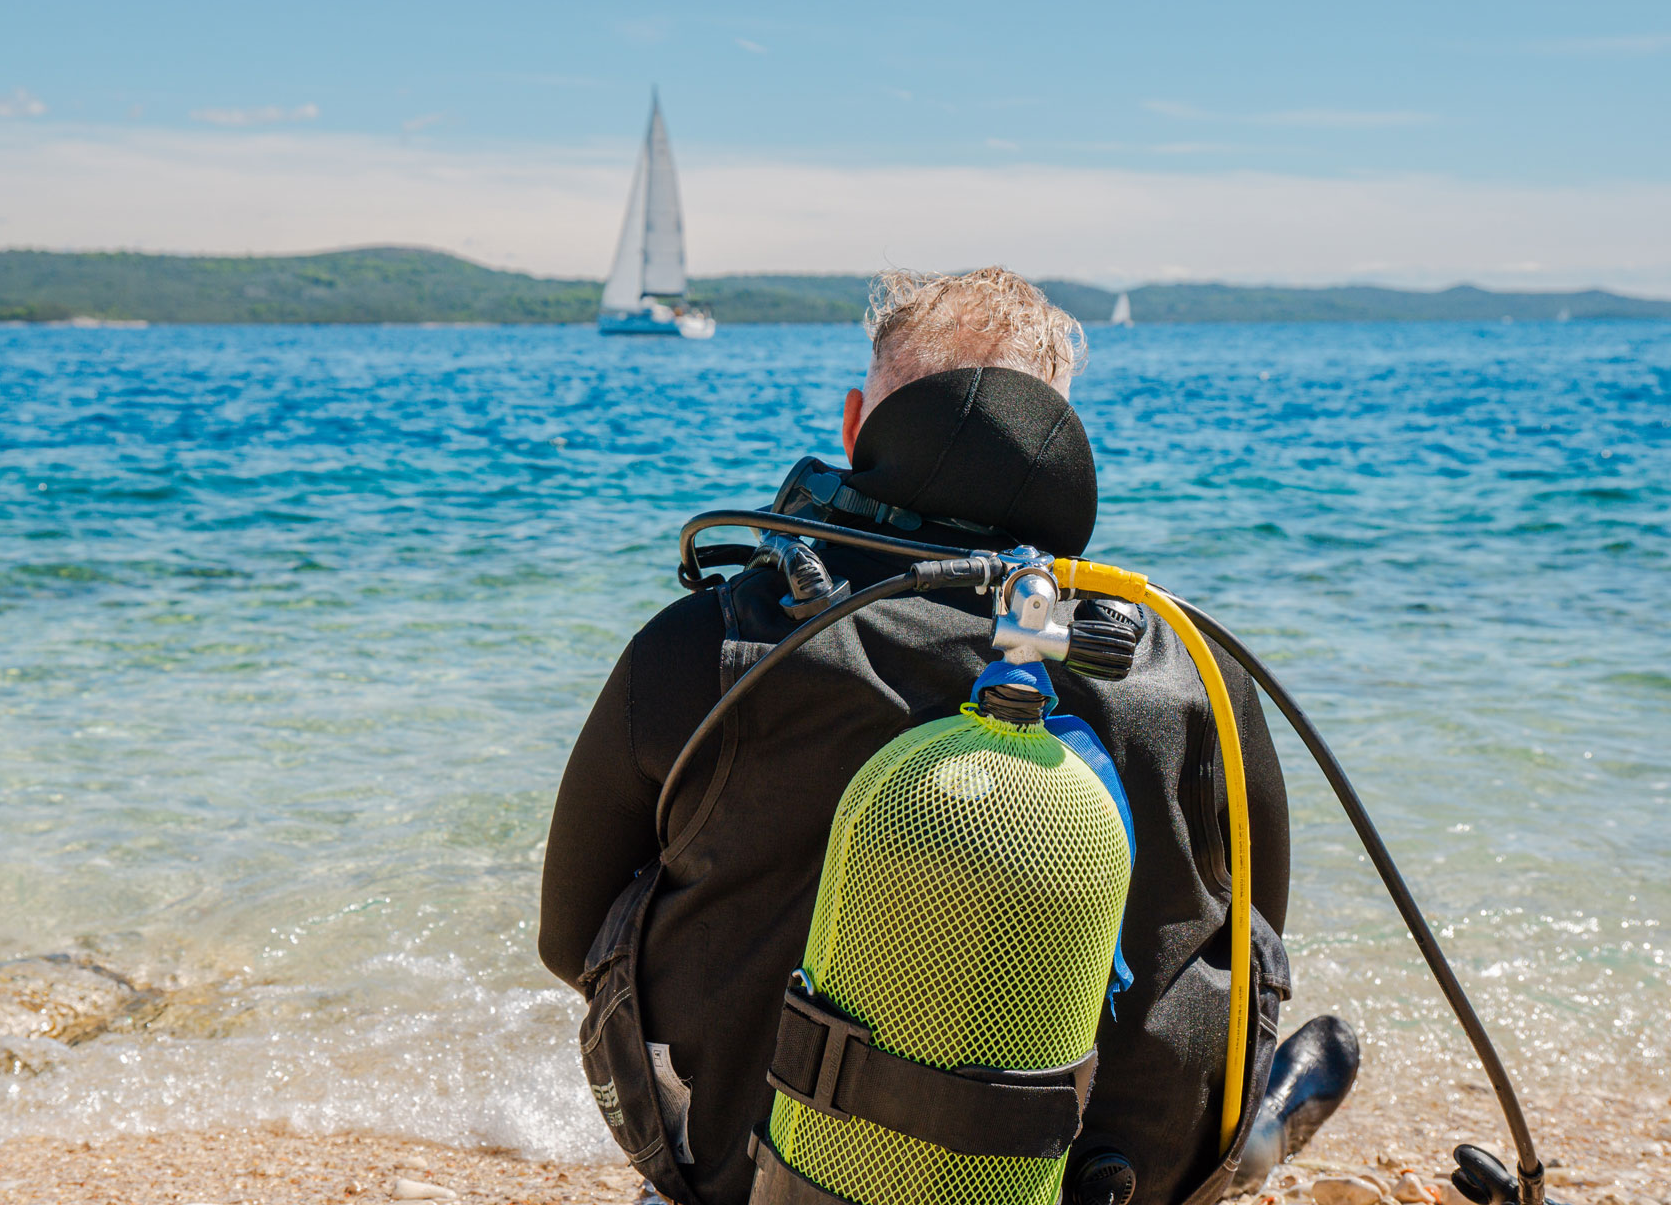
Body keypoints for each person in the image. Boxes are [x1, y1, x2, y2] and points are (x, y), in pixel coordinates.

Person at [540, 268, 1354, 1205]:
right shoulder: (1191, 673)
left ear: (856, 425)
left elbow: (572, 940)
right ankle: (1235, 1150)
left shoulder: (710, 648)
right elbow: (1255, 944)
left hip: (757, 1183)